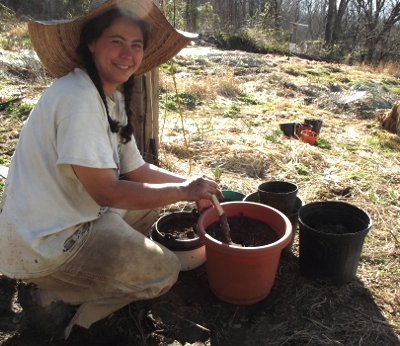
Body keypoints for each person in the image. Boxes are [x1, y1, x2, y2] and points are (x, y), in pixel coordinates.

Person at [0, 0, 222, 339]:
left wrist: (194, 187)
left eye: (136, 45)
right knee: (165, 271)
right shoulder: (78, 100)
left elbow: (137, 169)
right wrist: (186, 191)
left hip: (72, 215)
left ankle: (101, 271)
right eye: (116, 41)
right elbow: (108, 191)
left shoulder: (108, 99)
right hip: (47, 242)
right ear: (92, 43)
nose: (127, 53)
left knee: (154, 207)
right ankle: (61, 305)